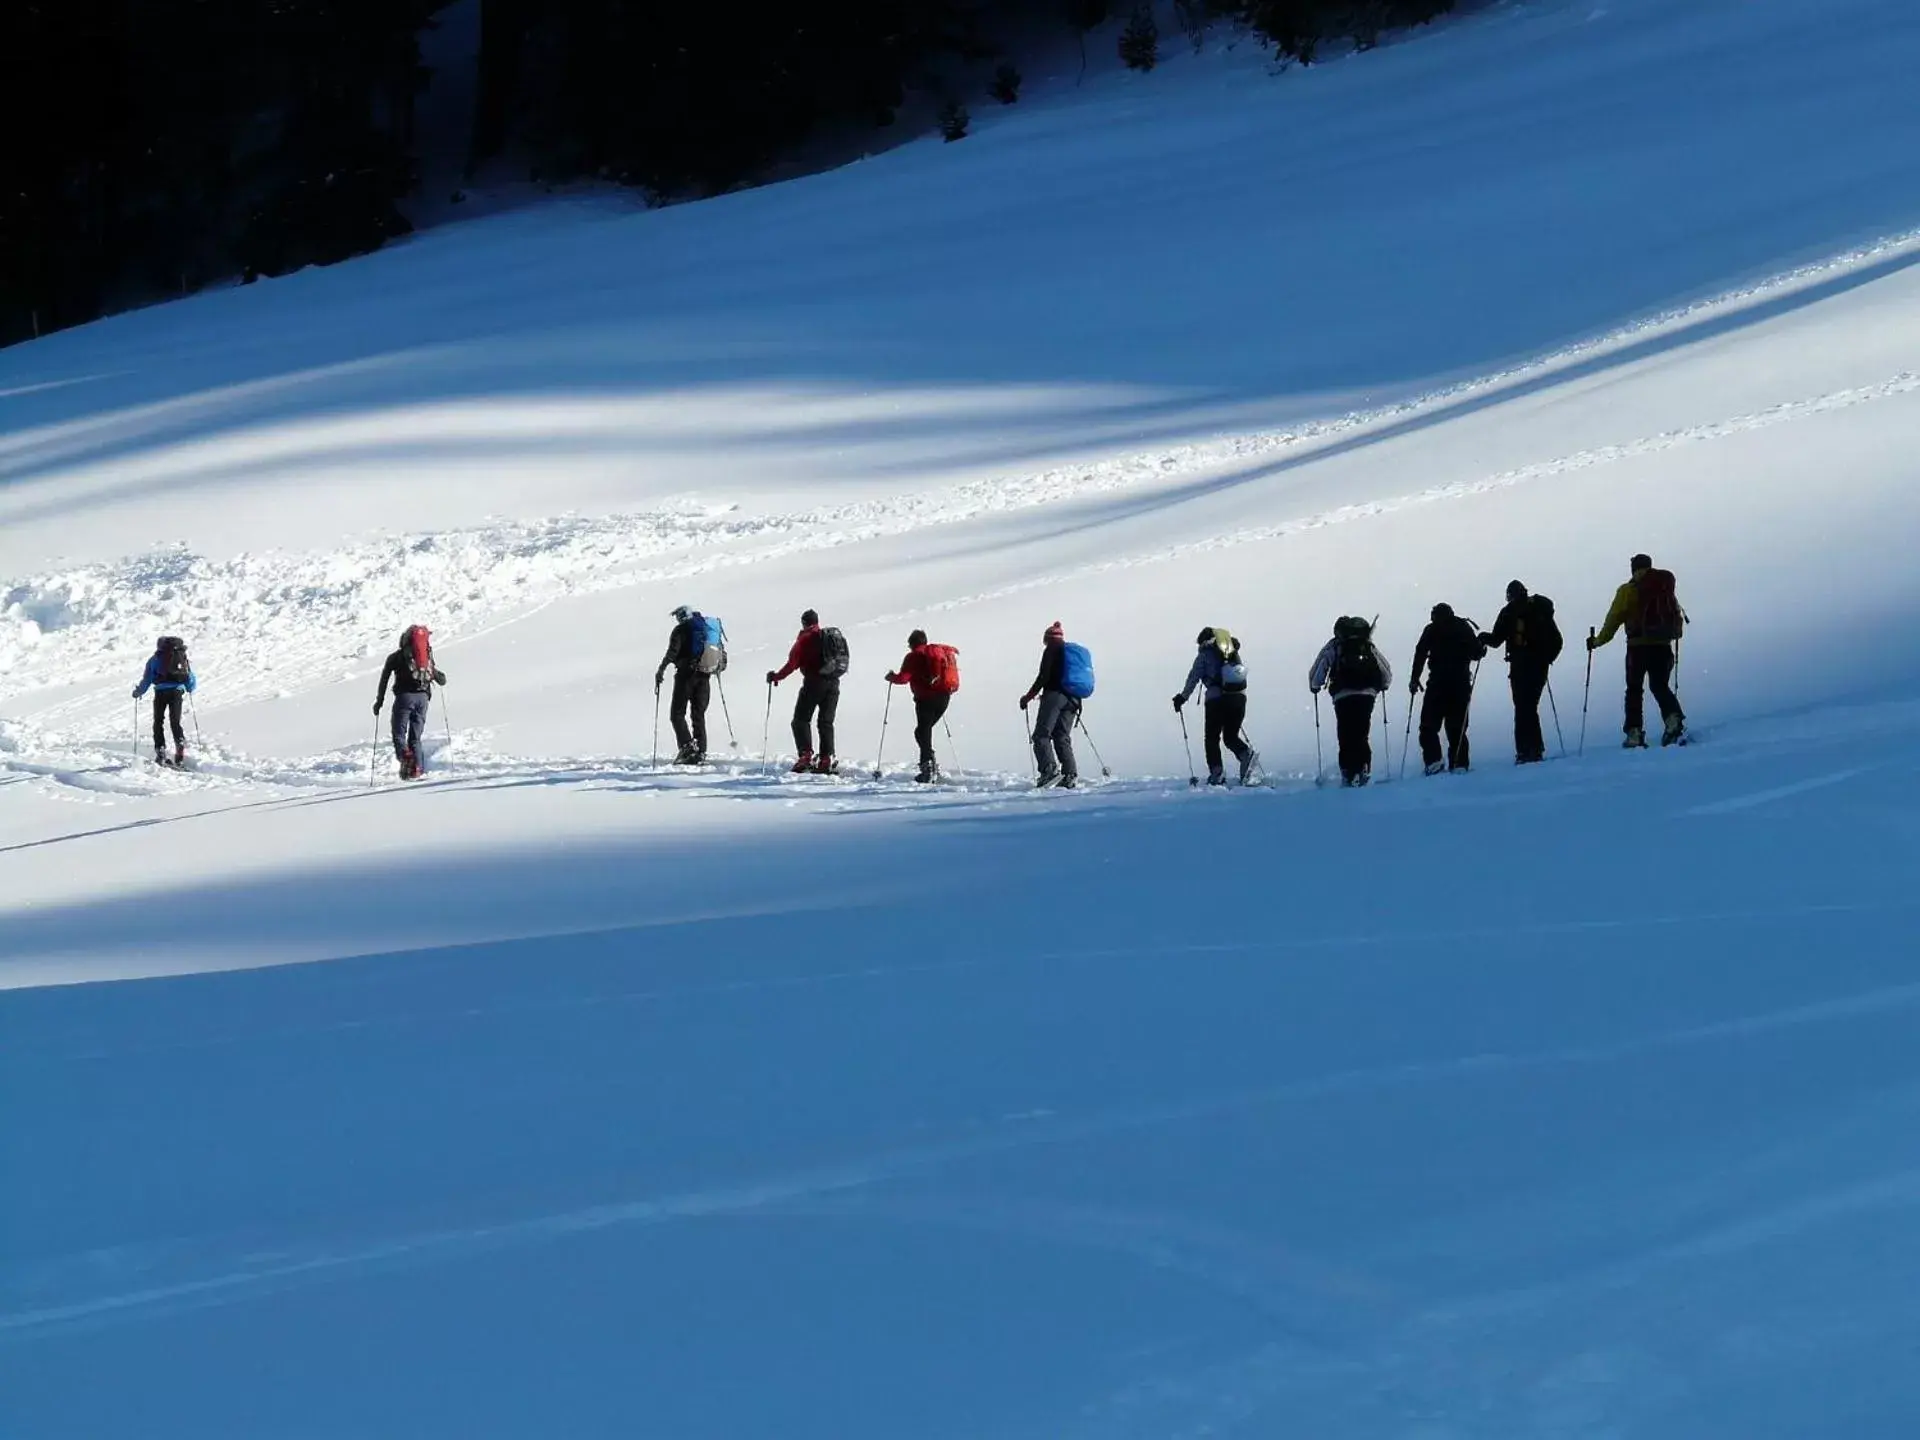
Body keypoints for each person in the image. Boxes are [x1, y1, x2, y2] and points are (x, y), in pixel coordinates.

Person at [1588, 553, 1688, 747]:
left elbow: (1613, 620)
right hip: (1662, 644)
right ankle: (1673, 720)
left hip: (1638, 647)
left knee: (1634, 690)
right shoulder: (1663, 587)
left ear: (1633, 568)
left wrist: (1597, 641)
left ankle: (1634, 733)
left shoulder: (1628, 590)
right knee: (1659, 686)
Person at [1480, 581, 1562, 764]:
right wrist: (1547, 658)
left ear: (1509, 595)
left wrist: (1482, 638)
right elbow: (1557, 639)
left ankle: (1525, 750)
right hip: (1540, 665)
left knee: (1522, 706)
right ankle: (1535, 748)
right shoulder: (1540, 608)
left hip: (1519, 666)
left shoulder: (1508, 612)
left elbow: (1496, 640)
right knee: (1530, 705)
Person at [1308, 617, 1391, 786]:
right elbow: (1385, 670)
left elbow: (1319, 668)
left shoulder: (1335, 645)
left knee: (1346, 733)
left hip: (1343, 694)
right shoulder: (1367, 645)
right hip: (1367, 694)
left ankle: (1349, 771)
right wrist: (1383, 685)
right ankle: (1363, 767)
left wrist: (1315, 685)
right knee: (1361, 732)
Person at [1408, 603, 1485, 774]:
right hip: (1461, 682)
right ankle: (1459, 763)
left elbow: (1420, 652)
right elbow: (1476, 653)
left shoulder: (1431, 629)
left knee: (1428, 725)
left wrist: (1414, 678)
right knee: (1457, 726)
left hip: (1437, 683)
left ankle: (1434, 761)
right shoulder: (1462, 627)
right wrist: (1481, 648)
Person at [1173, 627, 1256, 785]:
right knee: (1230, 736)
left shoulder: (1204, 656)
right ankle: (1245, 754)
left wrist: (1182, 698)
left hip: (1216, 701)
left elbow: (1193, 678)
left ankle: (1217, 772)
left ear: (1203, 642)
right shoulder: (1232, 653)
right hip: (1238, 698)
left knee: (1211, 738)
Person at [767, 608, 838, 774]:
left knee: (800, 720)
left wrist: (776, 677)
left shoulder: (805, 640)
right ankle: (827, 759)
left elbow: (792, 664)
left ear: (804, 623)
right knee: (825, 722)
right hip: (834, 684)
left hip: (813, 683)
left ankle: (806, 756)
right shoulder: (829, 638)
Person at [374, 625, 447, 780]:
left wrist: (379, 702)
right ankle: (418, 770)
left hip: (404, 698)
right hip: (423, 699)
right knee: (415, 738)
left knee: (398, 734)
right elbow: (442, 679)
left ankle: (406, 757)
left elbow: (384, 680)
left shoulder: (395, 657)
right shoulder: (426, 659)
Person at [885, 629, 952, 783]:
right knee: (922, 731)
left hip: (925, 700)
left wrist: (891, 677)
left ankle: (927, 768)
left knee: (923, 731)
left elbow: (903, 678)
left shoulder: (913, 656)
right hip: (944, 697)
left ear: (912, 644)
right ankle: (930, 763)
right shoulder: (937, 654)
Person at [1019, 620, 1079, 789]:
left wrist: (1028, 697)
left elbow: (1043, 676)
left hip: (1054, 696)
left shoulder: (1051, 649)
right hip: (1074, 699)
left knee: (1041, 735)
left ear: (1047, 638)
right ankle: (1070, 774)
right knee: (1062, 736)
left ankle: (1049, 770)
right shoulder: (1069, 652)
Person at [655, 604, 713, 765]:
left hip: (686, 675)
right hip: (704, 675)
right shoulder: (704, 626)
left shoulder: (680, 630)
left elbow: (672, 652)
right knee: (698, 714)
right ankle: (701, 751)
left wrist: (661, 669)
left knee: (677, 714)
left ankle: (687, 747)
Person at [132, 635, 196, 767]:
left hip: (160, 692)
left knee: (158, 721)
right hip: (177, 692)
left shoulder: (154, 659)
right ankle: (180, 745)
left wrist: (138, 692)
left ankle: (160, 751)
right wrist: (189, 688)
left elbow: (147, 679)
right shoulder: (181, 657)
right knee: (175, 721)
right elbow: (189, 677)